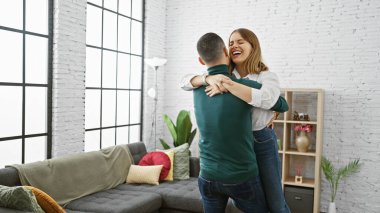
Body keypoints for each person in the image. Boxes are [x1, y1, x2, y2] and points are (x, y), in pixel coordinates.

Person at [182, 28, 291, 213]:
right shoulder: (219, 77)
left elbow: (274, 101)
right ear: (226, 51)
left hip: (261, 140)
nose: (235, 46)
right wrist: (207, 78)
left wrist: (230, 86)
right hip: (237, 146)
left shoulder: (265, 76)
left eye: (241, 42)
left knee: (275, 201)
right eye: (231, 43)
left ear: (253, 46)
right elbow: (184, 81)